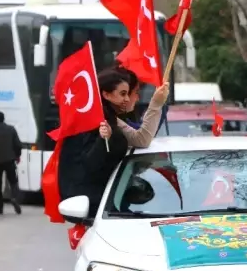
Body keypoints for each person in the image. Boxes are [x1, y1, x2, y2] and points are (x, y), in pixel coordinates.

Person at [58, 68, 169, 217]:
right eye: (123, 94)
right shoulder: (93, 122)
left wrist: (156, 103)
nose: (128, 99)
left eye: (129, 93)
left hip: (110, 205)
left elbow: (141, 139)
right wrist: (104, 140)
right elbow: (91, 165)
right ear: (106, 94)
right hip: (92, 211)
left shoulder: (111, 119)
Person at [0, 111, 22, 215]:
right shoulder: (11, 129)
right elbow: (18, 144)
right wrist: (17, 156)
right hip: (9, 160)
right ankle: (14, 198)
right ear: (3, 118)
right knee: (13, 181)